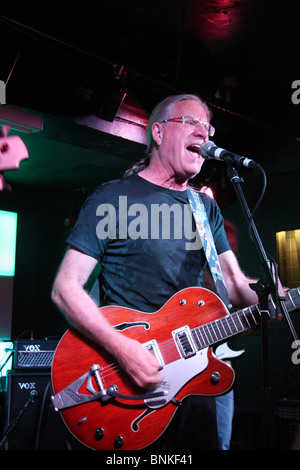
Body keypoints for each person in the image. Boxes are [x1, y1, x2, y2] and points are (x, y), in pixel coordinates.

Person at [51, 93, 259, 450]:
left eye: (207, 127)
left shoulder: (203, 207)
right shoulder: (112, 199)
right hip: (129, 381)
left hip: (194, 381)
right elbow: (65, 288)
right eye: (192, 123)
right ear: (159, 133)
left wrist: (280, 296)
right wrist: (123, 350)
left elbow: (237, 286)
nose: (204, 133)